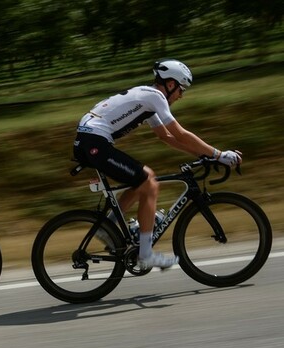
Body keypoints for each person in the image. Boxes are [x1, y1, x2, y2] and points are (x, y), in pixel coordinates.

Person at [73, 59, 242, 270]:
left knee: (143, 179)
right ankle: (145, 254)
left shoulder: (148, 99)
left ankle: (107, 227)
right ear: (170, 85)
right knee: (149, 183)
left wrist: (203, 155)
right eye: (181, 89)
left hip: (91, 140)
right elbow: (180, 133)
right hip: (94, 142)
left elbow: (168, 137)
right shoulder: (155, 97)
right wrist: (218, 154)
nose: (182, 95)